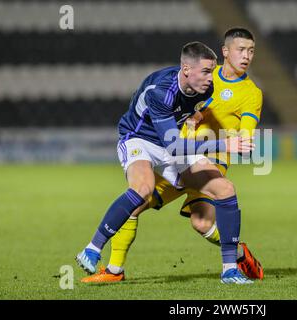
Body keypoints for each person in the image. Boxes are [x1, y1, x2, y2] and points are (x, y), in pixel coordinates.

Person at [81, 28, 264, 284]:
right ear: (225, 52)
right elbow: (191, 112)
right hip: (178, 151)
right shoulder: (206, 78)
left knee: (203, 220)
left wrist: (236, 141)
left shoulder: (250, 92)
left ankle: (232, 262)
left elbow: (243, 135)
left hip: (211, 158)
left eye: (251, 51)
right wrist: (193, 120)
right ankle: (113, 270)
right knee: (138, 200)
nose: (246, 56)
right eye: (241, 50)